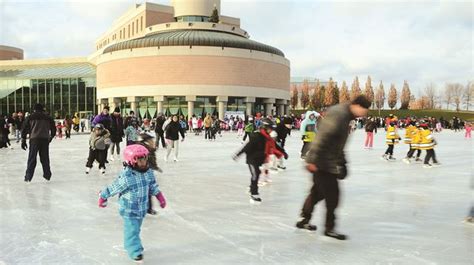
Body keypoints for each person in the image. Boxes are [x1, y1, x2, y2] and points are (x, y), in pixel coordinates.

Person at [296, 95, 371, 240]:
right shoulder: (339, 114)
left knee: (317, 193)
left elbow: (338, 144)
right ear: (357, 106)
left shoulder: (346, 115)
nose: (364, 113)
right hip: (322, 161)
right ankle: (329, 228)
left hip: (327, 161)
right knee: (332, 196)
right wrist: (312, 160)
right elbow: (323, 136)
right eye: (364, 110)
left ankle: (304, 219)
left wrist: (342, 163)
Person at [98, 144, 167, 262]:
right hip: (129, 209)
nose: (143, 161)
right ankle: (134, 250)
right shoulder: (127, 177)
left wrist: (160, 197)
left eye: (145, 158)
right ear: (131, 161)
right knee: (132, 229)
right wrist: (103, 197)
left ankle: (130, 243)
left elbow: (152, 186)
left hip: (142, 208)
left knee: (136, 229)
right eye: (140, 159)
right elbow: (114, 187)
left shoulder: (148, 172)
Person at [233, 118, 286, 204]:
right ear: (264, 127)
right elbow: (247, 147)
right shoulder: (256, 136)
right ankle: (254, 194)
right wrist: (238, 154)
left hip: (259, 159)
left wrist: (283, 152)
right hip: (252, 159)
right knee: (255, 175)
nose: (271, 131)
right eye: (270, 128)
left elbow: (275, 145)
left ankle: (251, 188)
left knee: (257, 173)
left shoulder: (268, 137)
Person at [21, 103, 56, 182]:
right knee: (45, 158)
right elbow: (53, 128)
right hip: (44, 139)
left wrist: (23, 140)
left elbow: (24, 128)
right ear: (42, 109)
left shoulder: (30, 117)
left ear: (34, 109)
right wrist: (51, 137)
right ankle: (47, 175)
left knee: (32, 158)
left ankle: (28, 177)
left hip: (34, 139)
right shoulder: (48, 117)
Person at [136, 132, 162, 215]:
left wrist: (155, 167)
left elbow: (152, 160)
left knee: (148, 190)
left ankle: (148, 208)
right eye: (151, 140)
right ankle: (145, 208)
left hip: (146, 171)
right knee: (145, 190)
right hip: (142, 172)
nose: (153, 141)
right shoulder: (144, 149)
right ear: (146, 141)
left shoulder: (149, 148)